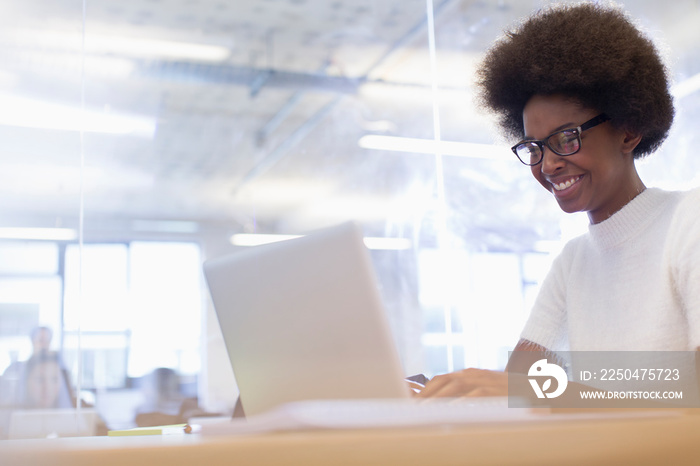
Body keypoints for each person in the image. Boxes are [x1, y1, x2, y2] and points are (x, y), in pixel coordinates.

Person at [417, 2, 700, 398]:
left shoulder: (689, 222)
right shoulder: (573, 262)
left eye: (567, 138)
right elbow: (521, 386)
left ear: (628, 130)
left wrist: (542, 392)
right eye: (534, 146)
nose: (548, 164)